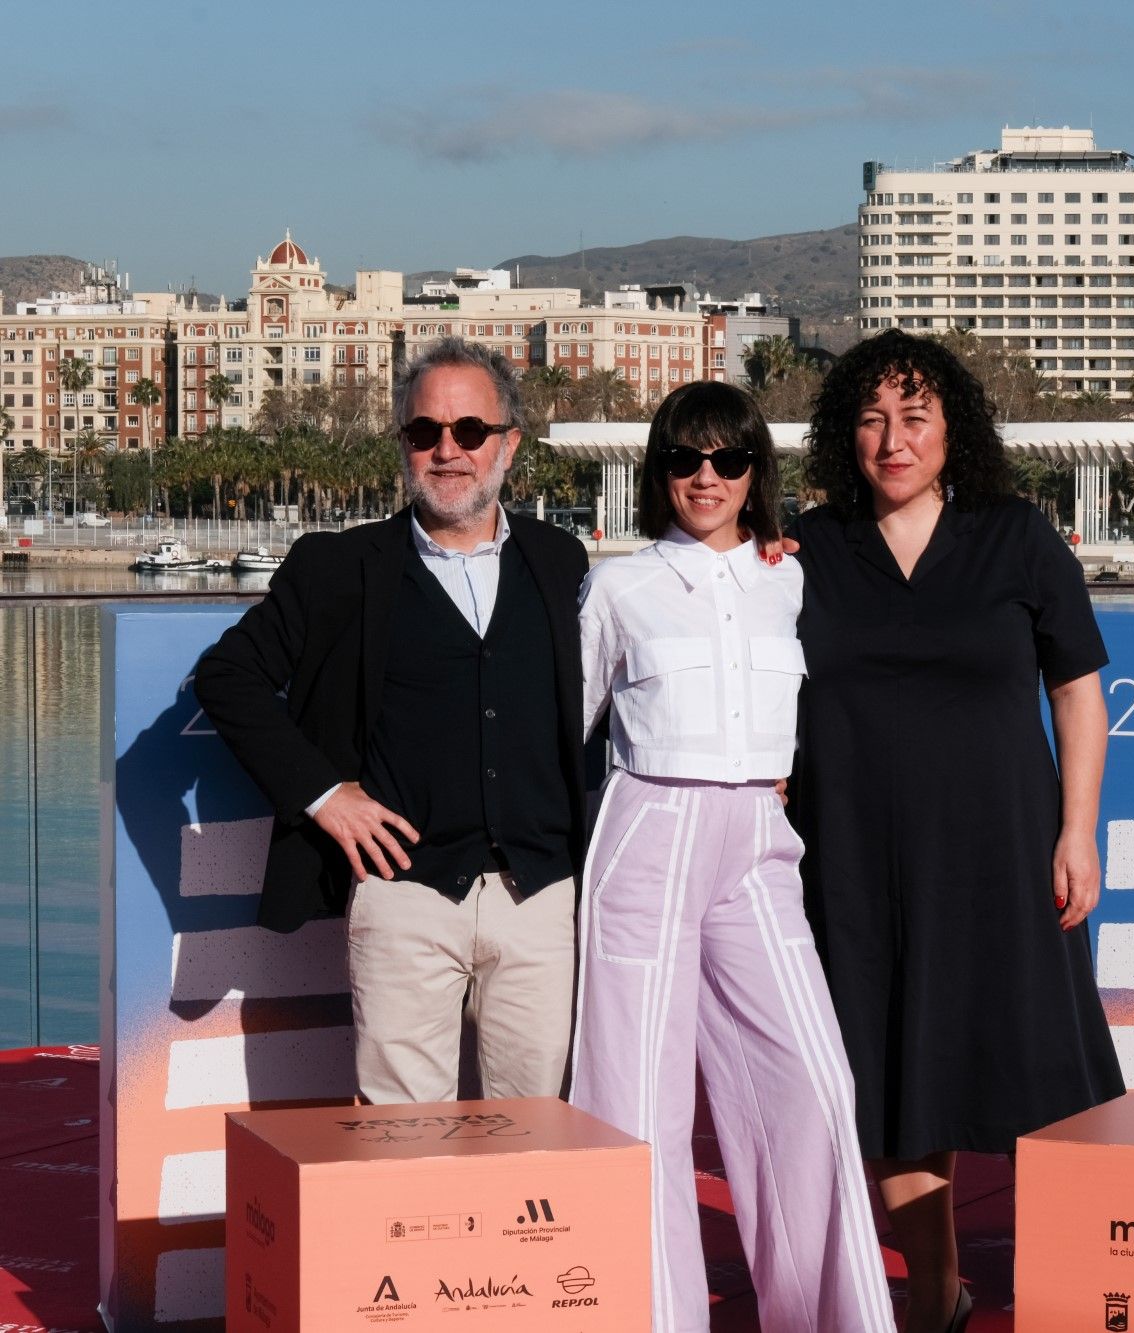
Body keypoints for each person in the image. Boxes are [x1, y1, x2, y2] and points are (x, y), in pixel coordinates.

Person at [791, 331, 1124, 1333]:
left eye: (914, 416)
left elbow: (1076, 692)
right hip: (853, 862)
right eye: (870, 417)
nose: (891, 439)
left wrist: (1077, 832)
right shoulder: (805, 548)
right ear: (843, 432)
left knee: (1038, 1075)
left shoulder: (1015, 535)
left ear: (953, 429)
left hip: (999, 856)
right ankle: (933, 1296)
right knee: (898, 1088)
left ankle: (1076, 1283)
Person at [569, 382, 893, 1333]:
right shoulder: (619, 583)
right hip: (647, 831)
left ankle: (829, 1318)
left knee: (815, 1080)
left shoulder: (793, 575)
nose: (704, 477)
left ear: (757, 470)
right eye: (683, 459)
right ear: (658, 472)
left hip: (760, 841)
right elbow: (571, 730)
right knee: (636, 1105)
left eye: (727, 459)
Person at [193, 337, 589, 1105]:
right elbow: (227, 676)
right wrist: (322, 793)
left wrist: (765, 547)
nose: (448, 451)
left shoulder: (560, 560)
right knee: (402, 1153)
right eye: (424, 433)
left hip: (542, 899)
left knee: (538, 1138)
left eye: (470, 431)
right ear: (403, 445)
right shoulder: (338, 570)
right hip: (403, 897)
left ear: (508, 443)